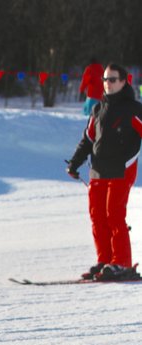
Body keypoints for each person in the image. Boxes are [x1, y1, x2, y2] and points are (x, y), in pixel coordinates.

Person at [67, 62, 142, 281]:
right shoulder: (98, 108)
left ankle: (121, 263)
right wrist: (74, 163)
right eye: (105, 80)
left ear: (123, 81)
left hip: (121, 170)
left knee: (114, 216)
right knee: (97, 217)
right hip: (98, 171)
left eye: (112, 80)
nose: (107, 84)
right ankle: (105, 260)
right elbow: (89, 139)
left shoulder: (134, 109)